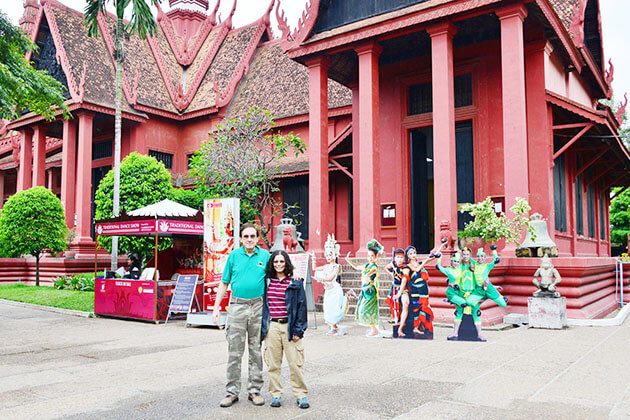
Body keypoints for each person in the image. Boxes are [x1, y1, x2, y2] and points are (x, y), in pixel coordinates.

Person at [212, 223, 270, 408]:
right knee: (234, 352)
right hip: (237, 306)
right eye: (246, 236)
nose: (250, 239)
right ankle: (232, 392)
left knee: (255, 350)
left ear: (257, 238)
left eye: (253, 236)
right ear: (241, 238)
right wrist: (215, 308)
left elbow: (277, 278)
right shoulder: (234, 256)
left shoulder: (265, 256)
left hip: (258, 306)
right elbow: (224, 283)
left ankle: (254, 391)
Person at [261, 250, 310, 409]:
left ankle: (300, 393)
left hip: (290, 326)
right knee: (273, 364)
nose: (279, 265)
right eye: (276, 262)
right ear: (272, 264)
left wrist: (298, 330)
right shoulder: (267, 281)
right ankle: (275, 394)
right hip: (273, 326)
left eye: (282, 261)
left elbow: (302, 306)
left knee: (295, 363)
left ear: (286, 263)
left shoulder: (295, 282)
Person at [345, 239, 383, 337]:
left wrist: (366, 275)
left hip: (370, 291)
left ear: (375, 257)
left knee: (366, 310)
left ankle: (374, 330)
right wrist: (348, 260)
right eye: (369, 256)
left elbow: (368, 275)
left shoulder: (374, 267)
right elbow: (357, 267)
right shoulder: (366, 265)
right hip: (365, 291)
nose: (370, 258)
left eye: (372, 256)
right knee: (364, 309)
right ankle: (373, 329)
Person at [312, 234, 346, 335]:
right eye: (327, 255)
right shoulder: (326, 266)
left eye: (330, 255)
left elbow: (330, 278)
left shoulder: (336, 266)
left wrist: (320, 278)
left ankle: (334, 327)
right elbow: (314, 268)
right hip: (328, 290)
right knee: (327, 308)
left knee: (333, 308)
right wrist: (313, 258)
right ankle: (332, 326)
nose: (328, 257)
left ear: (334, 255)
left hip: (334, 290)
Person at [405, 246, 435, 339]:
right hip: (415, 289)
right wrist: (425, 262)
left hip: (423, 288)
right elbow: (417, 270)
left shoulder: (418, 263)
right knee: (417, 307)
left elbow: (430, 258)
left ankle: (423, 326)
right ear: (407, 256)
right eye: (410, 253)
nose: (413, 255)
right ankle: (415, 327)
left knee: (424, 306)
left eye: (414, 253)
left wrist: (436, 254)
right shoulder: (408, 265)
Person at [385, 248, 410, 337]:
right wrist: (391, 271)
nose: (399, 259)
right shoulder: (394, 265)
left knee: (405, 303)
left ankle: (400, 328)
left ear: (404, 259)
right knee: (395, 308)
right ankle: (396, 321)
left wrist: (399, 293)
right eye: (397, 257)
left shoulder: (406, 268)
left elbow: (404, 280)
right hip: (394, 288)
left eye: (401, 257)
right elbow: (386, 267)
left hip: (403, 289)